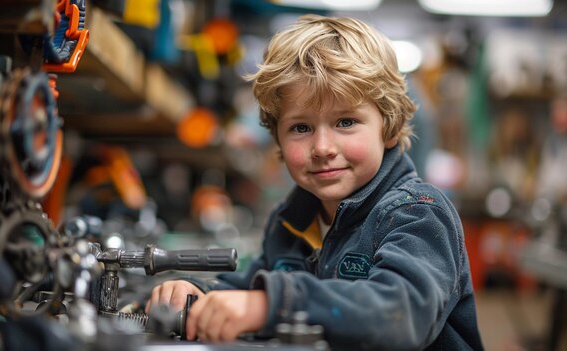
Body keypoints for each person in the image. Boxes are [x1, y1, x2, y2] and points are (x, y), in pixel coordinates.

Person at [146, 14, 484, 350]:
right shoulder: (292, 220)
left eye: (346, 122)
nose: (322, 148)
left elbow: (400, 313)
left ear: (390, 128)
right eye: (301, 128)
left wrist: (271, 306)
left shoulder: (418, 214)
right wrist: (198, 295)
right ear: (276, 138)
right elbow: (250, 289)